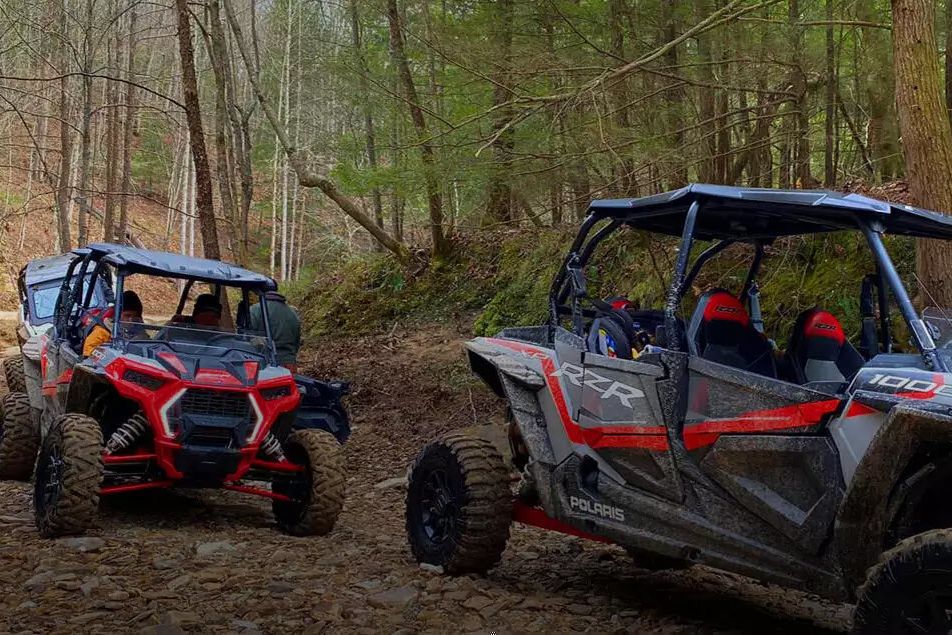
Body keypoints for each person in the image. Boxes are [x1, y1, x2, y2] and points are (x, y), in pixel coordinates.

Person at [250, 289, 301, 372]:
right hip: (289, 364)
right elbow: (297, 341)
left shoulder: (255, 310)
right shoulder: (292, 312)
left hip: (264, 365)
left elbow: (248, 338)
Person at [82, 290, 144, 356]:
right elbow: (88, 352)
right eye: (127, 316)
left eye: (135, 316)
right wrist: (107, 356)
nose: (131, 320)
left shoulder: (138, 330)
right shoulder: (103, 332)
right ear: (118, 316)